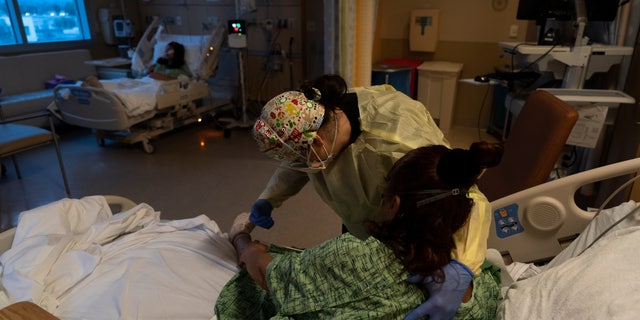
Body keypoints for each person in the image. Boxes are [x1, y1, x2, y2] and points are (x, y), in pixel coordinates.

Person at [241, 74, 495, 318]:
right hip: (394, 250)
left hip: (406, 242)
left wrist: (463, 264)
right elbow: (299, 160)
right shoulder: (320, 112)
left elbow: (465, 195)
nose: (296, 166)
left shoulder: (400, 143)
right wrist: (269, 198)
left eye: (298, 158)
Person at [216, 142, 504, 319]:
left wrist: (244, 240)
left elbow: (269, 275)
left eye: (382, 195)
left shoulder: (352, 256)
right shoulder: (470, 290)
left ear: (394, 204)